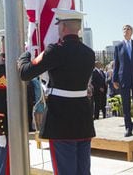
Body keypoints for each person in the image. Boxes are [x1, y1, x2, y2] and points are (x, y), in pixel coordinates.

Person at [18, 9, 95, 175]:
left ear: (64, 27)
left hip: (61, 120)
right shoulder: (89, 54)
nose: (58, 28)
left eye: (59, 24)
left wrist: (25, 56)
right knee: (83, 171)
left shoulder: (56, 51)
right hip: (82, 119)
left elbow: (25, 73)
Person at [112, 24, 133, 137]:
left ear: (132, 32)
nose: (126, 31)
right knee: (126, 105)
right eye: (124, 29)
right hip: (123, 79)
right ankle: (128, 128)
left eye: (128, 29)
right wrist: (115, 79)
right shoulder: (118, 47)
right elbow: (116, 64)